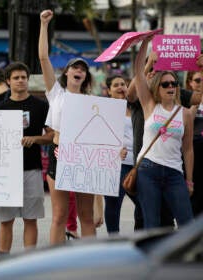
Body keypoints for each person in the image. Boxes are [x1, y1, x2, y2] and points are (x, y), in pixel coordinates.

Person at [127, 52, 203, 229]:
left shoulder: (184, 113)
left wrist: (189, 180)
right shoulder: (149, 105)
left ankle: (181, 255)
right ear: (157, 88)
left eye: (174, 83)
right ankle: (150, 256)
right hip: (148, 169)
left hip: (174, 172)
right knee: (150, 222)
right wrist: (145, 48)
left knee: (186, 222)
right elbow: (137, 77)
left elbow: (188, 149)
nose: (171, 86)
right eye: (165, 84)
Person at [39, 9, 96, 244]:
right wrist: (44, 25)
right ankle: (55, 263)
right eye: (75, 67)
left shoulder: (94, 103)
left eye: (83, 68)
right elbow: (43, 57)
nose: (79, 70)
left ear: (86, 77)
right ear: (67, 72)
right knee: (60, 215)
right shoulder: (56, 94)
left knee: (86, 216)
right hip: (59, 154)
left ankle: (92, 265)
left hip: (84, 157)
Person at [0, 62, 54, 256]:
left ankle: (29, 260)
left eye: (23, 77)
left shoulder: (41, 106)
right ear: (8, 81)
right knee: (5, 220)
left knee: (31, 218)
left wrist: (36, 139)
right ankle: (3, 260)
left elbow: (53, 135)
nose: (21, 81)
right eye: (16, 78)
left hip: (32, 169)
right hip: (5, 173)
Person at [103, 75, 137, 234]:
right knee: (113, 206)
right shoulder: (105, 109)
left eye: (123, 84)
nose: (120, 87)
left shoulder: (137, 107)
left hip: (138, 163)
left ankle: (141, 237)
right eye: (115, 85)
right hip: (116, 164)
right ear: (109, 91)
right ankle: (113, 240)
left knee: (144, 205)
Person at [186, 69, 203, 217]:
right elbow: (187, 125)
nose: (201, 83)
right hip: (194, 155)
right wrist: (195, 102)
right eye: (198, 80)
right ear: (190, 83)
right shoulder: (186, 101)